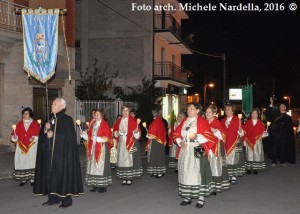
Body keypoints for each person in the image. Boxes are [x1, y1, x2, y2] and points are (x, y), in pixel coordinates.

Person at [33, 98, 84, 208]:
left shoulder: (67, 120)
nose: (52, 106)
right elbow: (42, 135)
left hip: (62, 155)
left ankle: (66, 200)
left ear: (62, 107)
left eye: (55, 104)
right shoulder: (48, 118)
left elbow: (68, 138)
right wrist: (45, 131)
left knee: (61, 175)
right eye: (52, 104)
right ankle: (52, 198)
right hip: (49, 154)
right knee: (50, 175)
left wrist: (54, 134)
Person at [173, 102, 216, 208]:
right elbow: (176, 134)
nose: (188, 110)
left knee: (198, 172)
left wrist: (196, 136)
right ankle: (187, 197)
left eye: (191, 109)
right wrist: (179, 142)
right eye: (188, 109)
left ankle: (201, 198)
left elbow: (209, 137)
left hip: (198, 148)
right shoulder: (184, 121)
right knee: (185, 172)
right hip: (185, 149)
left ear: (197, 111)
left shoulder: (202, 121)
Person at [81, 109, 112, 193]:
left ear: (102, 115)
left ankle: (102, 185)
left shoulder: (105, 124)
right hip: (93, 147)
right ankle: (95, 184)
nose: (95, 116)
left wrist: (98, 138)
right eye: (95, 114)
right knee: (93, 166)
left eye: (97, 114)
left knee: (100, 166)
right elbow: (90, 136)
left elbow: (107, 137)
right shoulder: (93, 124)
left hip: (101, 148)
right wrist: (84, 135)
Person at [113, 105, 143, 185]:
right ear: (121, 112)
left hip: (130, 142)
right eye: (123, 111)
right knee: (122, 160)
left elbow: (138, 135)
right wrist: (117, 133)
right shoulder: (119, 121)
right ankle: (124, 177)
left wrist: (136, 132)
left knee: (129, 160)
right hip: (122, 143)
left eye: (126, 110)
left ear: (129, 112)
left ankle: (129, 178)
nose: (125, 112)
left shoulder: (133, 121)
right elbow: (115, 132)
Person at [11, 107, 40, 186]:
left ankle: (32, 179)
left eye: (26, 113)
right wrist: (14, 137)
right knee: (22, 162)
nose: (24, 115)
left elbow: (38, 133)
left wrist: (34, 137)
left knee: (31, 161)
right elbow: (14, 134)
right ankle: (23, 179)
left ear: (30, 114)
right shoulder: (19, 124)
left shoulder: (35, 123)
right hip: (21, 146)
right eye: (23, 113)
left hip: (32, 146)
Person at [205, 105, 230, 194]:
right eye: (206, 112)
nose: (207, 114)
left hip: (216, 147)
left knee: (215, 166)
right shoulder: (204, 122)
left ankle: (215, 186)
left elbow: (223, 136)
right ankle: (208, 185)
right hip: (206, 147)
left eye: (209, 112)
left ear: (214, 113)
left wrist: (215, 131)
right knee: (207, 166)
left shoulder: (217, 122)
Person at [221, 104, 245, 184]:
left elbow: (242, 134)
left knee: (234, 159)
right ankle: (228, 175)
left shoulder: (237, 120)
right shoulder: (223, 120)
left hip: (235, 142)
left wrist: (240, 131)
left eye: (229, 109)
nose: (227, 111)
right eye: (226, 109)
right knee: (227, 159)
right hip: (225, 142)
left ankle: (233, 175)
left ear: (232, 111)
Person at [242, 108, 268, 174]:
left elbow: (262, 133)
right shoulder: (248, 122)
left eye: (255, 113)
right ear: (251, 114)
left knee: (257, 155)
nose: (254, 114)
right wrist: (244, 140)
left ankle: (255, 169)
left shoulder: (260, 123)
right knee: (249, 155)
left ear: (257, 115)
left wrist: (264, 134)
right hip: (248, 141)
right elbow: (244, 132)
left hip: (257, 142)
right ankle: (249, 169)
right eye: (253, 113)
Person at [146, 110, 167, 178]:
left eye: (154, 113)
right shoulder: (159, 121)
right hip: (158, 141)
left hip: (156, 142)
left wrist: (148, 134)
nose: (153, 114)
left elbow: (152, 132)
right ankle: (156, 171)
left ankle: (159, 172)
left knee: (157, 156)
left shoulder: (156, 121)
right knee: (155, 156)